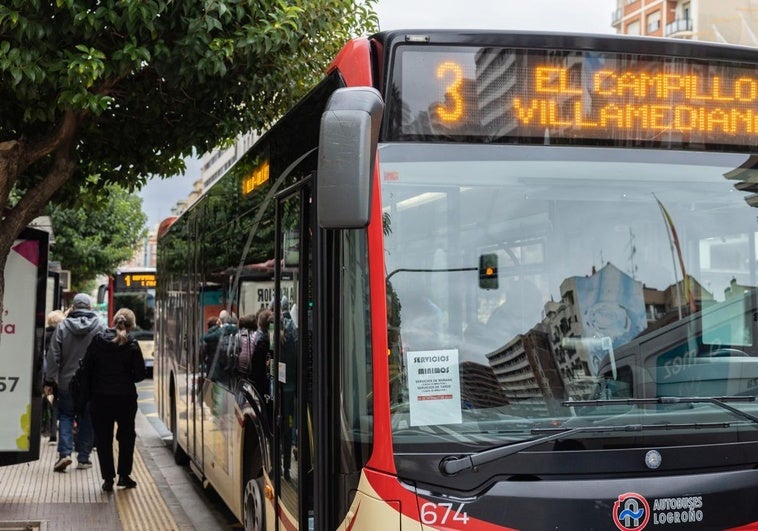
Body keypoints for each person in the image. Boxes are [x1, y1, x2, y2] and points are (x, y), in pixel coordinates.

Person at [86, 308, 146, 492]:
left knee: (104, 438)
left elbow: (88, 367)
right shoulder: (133, 344)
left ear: (113, 321)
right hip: (125, 399)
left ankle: (108, 479)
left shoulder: (98, 341)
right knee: (127, 436)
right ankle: (124, 476)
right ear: (132, 325)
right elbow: (140, 374)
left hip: (100, 398)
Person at [46, 293, 104, 473]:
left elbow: (53, 355)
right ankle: (84, 458)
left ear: (74, 306)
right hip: (91, 383)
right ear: (89, 307)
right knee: (88, 418)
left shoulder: (62, 326)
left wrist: (51, 379)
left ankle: (64, 455)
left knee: (65, 415)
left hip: (66, 382)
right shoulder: (100, 326)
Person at [42, 310, 65, 445]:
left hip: (48, 373)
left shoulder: (45, 333)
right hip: (61, 372)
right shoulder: (62, 333)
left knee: (54, 403)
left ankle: (52, 435)